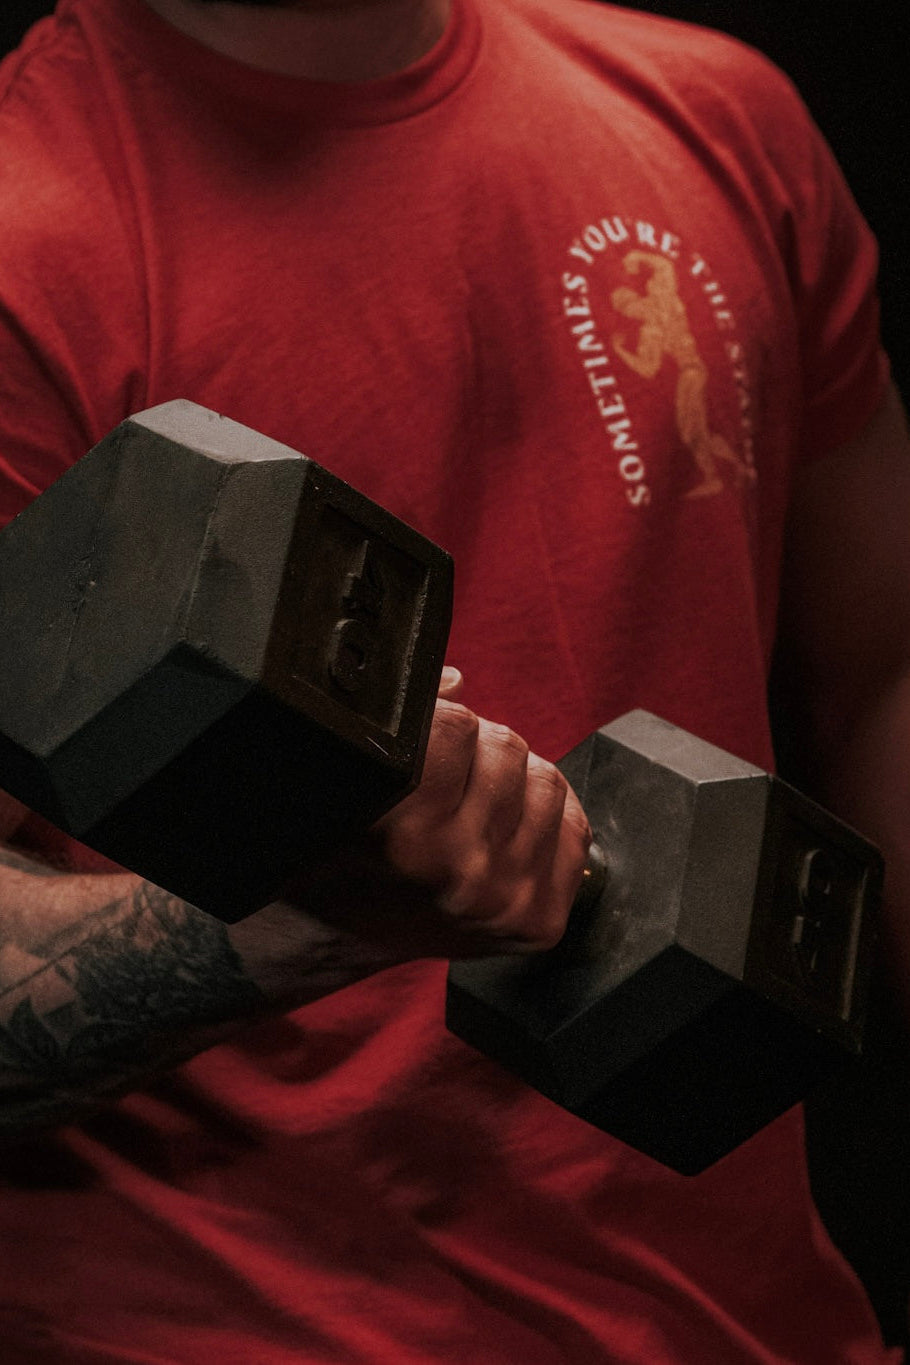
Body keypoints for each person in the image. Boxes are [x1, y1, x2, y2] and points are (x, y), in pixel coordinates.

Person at [0, 0, 908, 1359]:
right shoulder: (27, 242)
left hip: (751, 1322)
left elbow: (883, 673)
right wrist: (291, 926)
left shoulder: (715, 117)